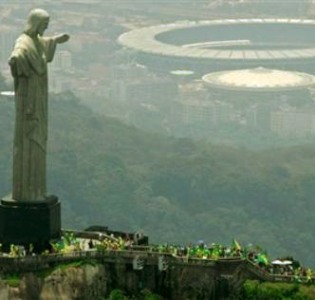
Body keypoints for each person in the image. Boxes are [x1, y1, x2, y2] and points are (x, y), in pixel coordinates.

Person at [9, 9, 70, 201]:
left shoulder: (35, 40)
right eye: (44, 25)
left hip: (38, 97)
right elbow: (18, 54)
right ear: (35, 23)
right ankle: (26, 192)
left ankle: (36, 190)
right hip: (29, 101)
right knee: (28, 141)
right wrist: (16, 59)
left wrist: (55, 40)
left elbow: (41, 44)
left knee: (38, 142)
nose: (45, 28)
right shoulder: (23, 41)